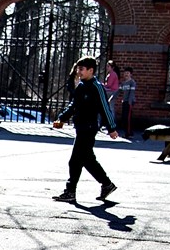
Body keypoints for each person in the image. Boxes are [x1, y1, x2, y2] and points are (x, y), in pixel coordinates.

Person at [51, 56, 119, 204]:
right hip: (80, 127)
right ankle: (107, 184)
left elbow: (105, 108)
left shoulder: (97, 87)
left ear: (90, 70)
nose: (78, 71)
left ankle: (70, 191)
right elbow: (73, 105)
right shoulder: (81, 86)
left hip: (89, 128)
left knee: (75, 161)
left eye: (81, 69)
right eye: (78, 68)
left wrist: (111, 128)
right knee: (87, 160)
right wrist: (62, 118)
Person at [118, 66, 137, 139]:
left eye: (128, 73)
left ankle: (129, 133)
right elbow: (118, 91)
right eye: (125, 73)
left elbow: (131, 93)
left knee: (128, 118)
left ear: (131, 74)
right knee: (124, 118)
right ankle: (127, 132)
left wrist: (129, 102)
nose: (126, 74)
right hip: (124, 102)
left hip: (129, 102)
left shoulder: (132, 82)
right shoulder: (123, 83)